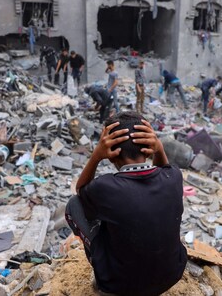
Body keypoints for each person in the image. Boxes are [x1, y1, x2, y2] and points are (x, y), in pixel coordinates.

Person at [65, 111, 187, 296]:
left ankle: (101, 263)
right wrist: (160, 149)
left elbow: (80, 191)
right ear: (149, 147)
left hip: (118, 287)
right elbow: (165, 169)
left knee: (74, 205)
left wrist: (96, 156)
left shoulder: (105, 187)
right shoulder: (175, 177)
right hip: (170, 277)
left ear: (111, 155)